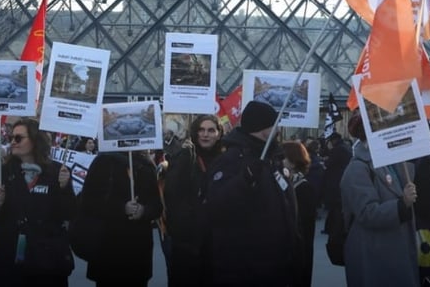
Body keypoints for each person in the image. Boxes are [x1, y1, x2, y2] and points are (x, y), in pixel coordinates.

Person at [204, 100, 298, 287]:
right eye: (274, 124)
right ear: (263, 128)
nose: (278, 129)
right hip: (246, 268)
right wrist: (244, 180)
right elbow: (216, 205)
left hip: (276, 266)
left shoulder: (272, 159)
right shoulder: (231, 161)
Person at [0, 118, 76, 286]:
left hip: (46, 259)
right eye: (11, 138)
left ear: (34, 140)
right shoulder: (4, 171)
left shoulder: (56, 171)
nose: (13, 142)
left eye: (18, 138)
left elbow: (68, 213)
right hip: (10, 258)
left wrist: (64, 187)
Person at [340, 114, 418, 287]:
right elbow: (367, 213)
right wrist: (402, 204)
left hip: (395, 249)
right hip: (374, 253)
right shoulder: (357, 168)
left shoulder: (391, 161)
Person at [79, 149, 162, 287]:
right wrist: (121, 208)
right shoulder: (102, 163)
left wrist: (144, 211)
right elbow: (88, 203)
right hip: (108, 251)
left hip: (138, 254)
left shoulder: (147, 165)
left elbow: (157, 206)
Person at [163, 115, 225, 286]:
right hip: (187, 242)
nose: (205, 134)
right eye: (201, 130)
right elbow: (172, 193)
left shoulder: (227, 160)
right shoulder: (186, 155)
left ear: (219, 134)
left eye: (211, 130)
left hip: (216, 243)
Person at [283, 140, 319, 287]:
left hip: (298, 254)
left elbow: (302, 227)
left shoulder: (303, 188)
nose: (279, 161)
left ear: (292, 162)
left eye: (282, 158)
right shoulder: (286, 183)